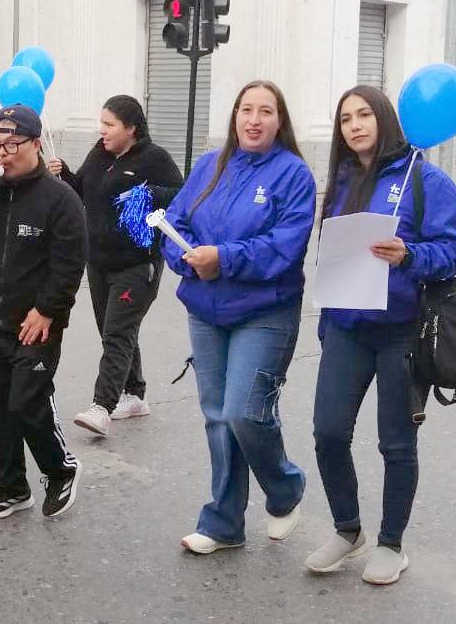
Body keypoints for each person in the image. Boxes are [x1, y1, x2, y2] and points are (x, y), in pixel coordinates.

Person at [307, 86, 456, 586]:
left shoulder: (426, 179)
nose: (354, 126)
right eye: (345, 119)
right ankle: (347, 529)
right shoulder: (340, 181)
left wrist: (410, 255)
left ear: (384, 119)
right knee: (328, 432)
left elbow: (455, 250)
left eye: (363, 115)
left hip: (403, 331)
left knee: (396, 444)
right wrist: (327, 322)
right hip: (346, 328)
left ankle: (391, 544)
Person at [160, 80, 315, 555]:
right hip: (206, 309)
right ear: (234, 117)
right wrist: (186, 258)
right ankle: (223, 522)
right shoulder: (210, 165)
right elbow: (175, 222)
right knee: (217, 417)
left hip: (264, 311)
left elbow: (285, 247)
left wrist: (223, 259)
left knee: (244, 413)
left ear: (279, 121)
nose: (254, 119)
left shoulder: (293, 174)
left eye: (265, 111)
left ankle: (285, 487)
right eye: (246, 109)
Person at [0, 105, 87, 519]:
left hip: (37, 324)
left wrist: (47, 310)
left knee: (26, 401)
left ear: (35, 144)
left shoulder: (60, 198)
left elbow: (70, 263)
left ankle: (60, 470)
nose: (3, 153)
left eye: (12, 144)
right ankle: (11, 487)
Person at [46, 95, 184, 436]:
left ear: (131, 128)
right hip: (98, 262)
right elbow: (82, 191)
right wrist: (63, 174)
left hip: (137, 264)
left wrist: (149, 193)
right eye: (101, 123)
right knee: (114, 331)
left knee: (117, 333)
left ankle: (102, 406)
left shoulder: (155, 158)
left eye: (109, 125)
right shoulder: (99, 154)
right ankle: (134, 394)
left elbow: (183, 195)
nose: (102, 131)